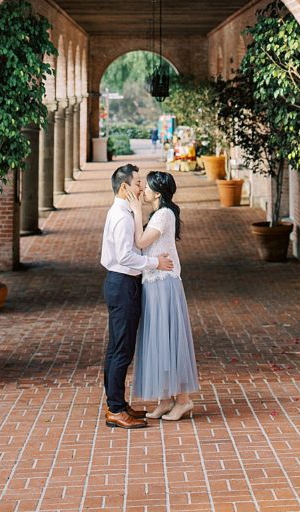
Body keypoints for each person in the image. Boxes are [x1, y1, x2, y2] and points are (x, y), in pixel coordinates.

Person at [100, 164, 175, 429]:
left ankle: (117, 403)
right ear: (124, 187)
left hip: (123, 283)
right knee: (121, 349)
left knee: (118, 347)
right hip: (123, 284)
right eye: (138, 183)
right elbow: (125, 256)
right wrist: (155, 262)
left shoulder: (123, 211)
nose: (142, 187)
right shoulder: (121, 216)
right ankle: (115, 409)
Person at [125, 171, 199, 421]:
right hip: (154, 282)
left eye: (146, 188)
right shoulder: (158, 214)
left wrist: (135, 211)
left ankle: (183, 400)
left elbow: (141, 240)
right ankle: (166, 399)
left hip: (164, 284)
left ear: (157, 192)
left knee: (169, 340)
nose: (142, 191)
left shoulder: (164, 214)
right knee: (159, 340)